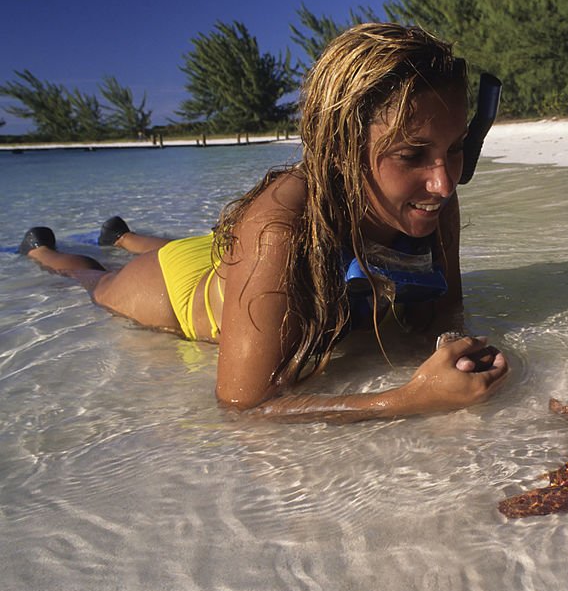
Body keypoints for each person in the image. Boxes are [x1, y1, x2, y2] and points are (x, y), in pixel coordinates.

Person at [17, 23, 509, 420]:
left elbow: (446, 315)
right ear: (340, 151)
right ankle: (45, 251)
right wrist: (408, 399)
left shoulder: (432, 194)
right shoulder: (277, 227)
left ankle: (121, 235)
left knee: (223, 247)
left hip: (236, 255)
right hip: (178, 287)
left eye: (456, 147)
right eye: (411, 154)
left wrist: (454, 356)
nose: (444, 183)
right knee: (92, 278)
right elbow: (243, 404)